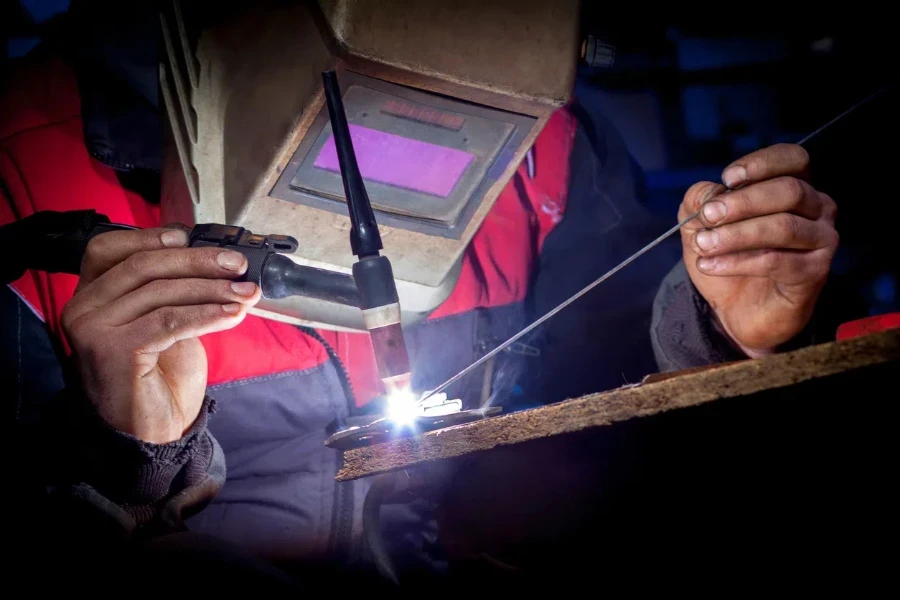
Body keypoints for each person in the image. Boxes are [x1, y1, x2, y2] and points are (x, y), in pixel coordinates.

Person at [3, 2, 840, 586]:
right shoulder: (23, 167)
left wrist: (717, 324)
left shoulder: (539, 139)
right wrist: (127, 462)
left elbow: (606, 364)